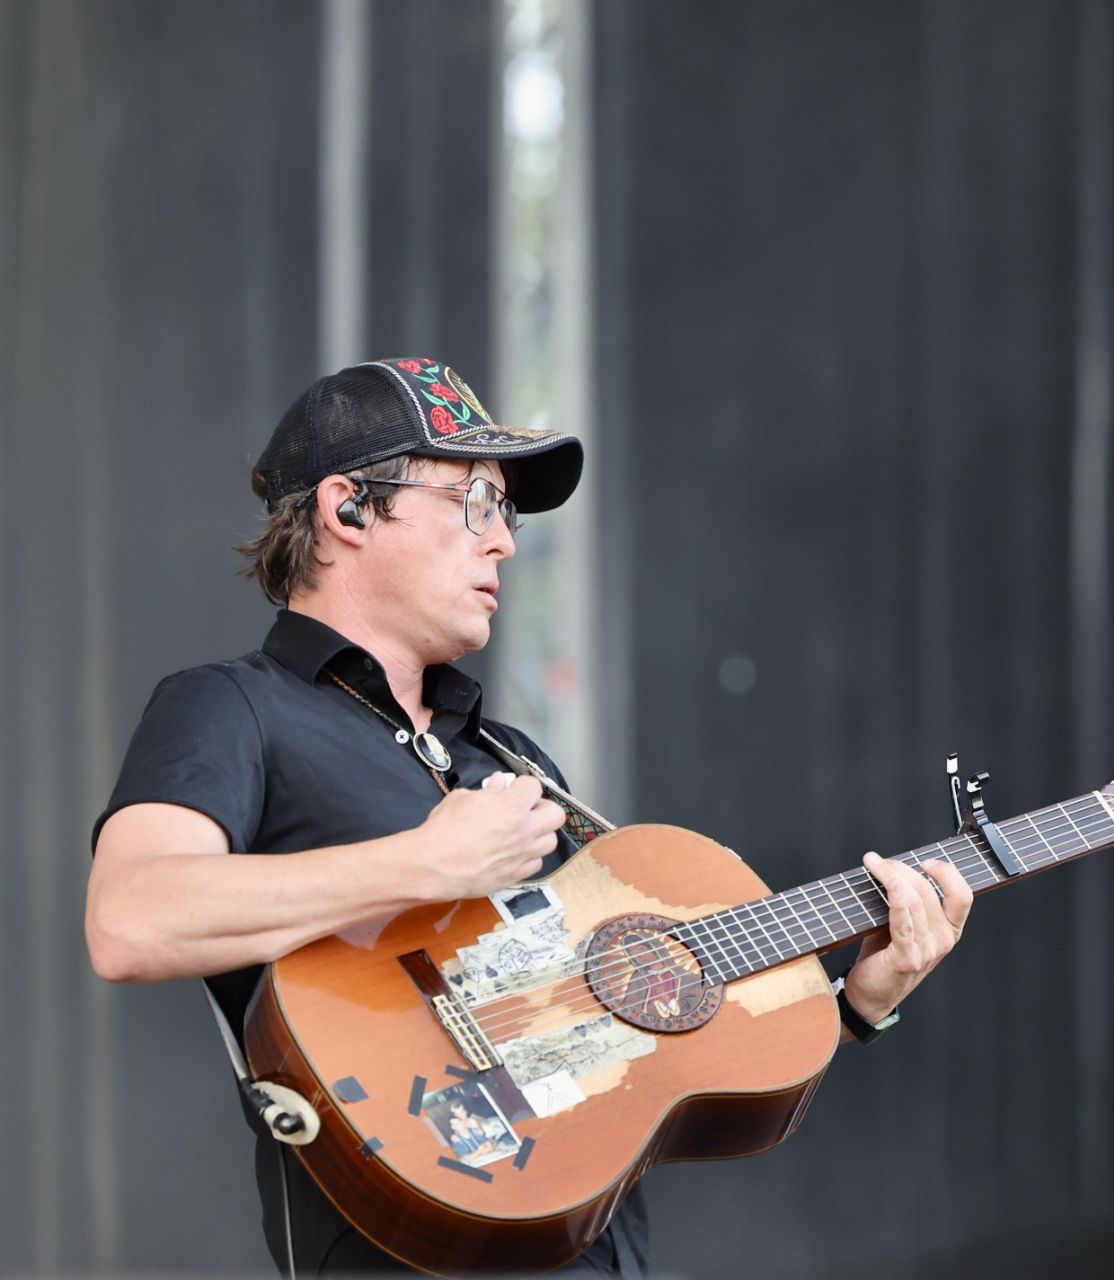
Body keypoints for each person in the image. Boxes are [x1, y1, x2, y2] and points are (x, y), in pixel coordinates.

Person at [85, 357, 972, 1277]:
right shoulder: (229, 706)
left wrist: (853, 1005)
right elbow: (130, 920)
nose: (505, 543)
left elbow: (610, 1042)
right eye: (476, 503)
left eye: (507, 513)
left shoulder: (509, 759)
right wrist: (422, 865)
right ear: (348, 509)